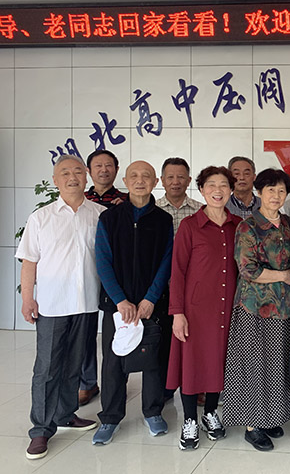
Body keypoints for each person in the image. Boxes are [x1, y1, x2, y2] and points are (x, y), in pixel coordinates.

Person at [17, 155, 104, 460]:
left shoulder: (100, 215)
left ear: (86, 177)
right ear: (55, 180)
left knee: (74, 364)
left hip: (87, 303)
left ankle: (66, 414)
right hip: (52, 305)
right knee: (47, 368)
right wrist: (28, 298)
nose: (72, 177)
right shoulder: (41, 218)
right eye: (65, 173)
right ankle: (41, 429)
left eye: (78, 171)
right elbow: (29, 262)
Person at [92, 161, 174, 445]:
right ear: (125, 181)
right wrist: (120, 300)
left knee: (153, 359)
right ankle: (111, 417)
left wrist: (151, 297)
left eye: (146, 176)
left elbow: (167, 261)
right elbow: (102, 261)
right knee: (113, 361)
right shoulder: (110, 218)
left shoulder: (163, 220)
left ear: (155, 182)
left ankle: (153, 412)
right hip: (117, 305)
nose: (140, 181)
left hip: (152, 304)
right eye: (134, 176)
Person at [166, 166, 241, 450]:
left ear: (231, 190)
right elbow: (177, 271)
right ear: (201, 190)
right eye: (211, 185)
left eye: (223, 185)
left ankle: (210, 413)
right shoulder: (190, 226)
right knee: (193, 363)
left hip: (228, 307)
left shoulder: (238, 225)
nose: (217, 190)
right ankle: (189, 419)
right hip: (196, 310)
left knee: (218, 361)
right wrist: (178, 313)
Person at [223, 168, 290, 452]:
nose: (276, 195)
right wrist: (284, 275)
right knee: (254, 364)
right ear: (259, 193)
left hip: (284, 308)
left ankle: (270, 417)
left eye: (281, 190)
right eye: (270, 190)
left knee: (277, 364)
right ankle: (253, 425)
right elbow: (248, 270)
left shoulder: (289, 224)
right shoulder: (248, 226)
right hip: (254, 308)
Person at [80, 149, 128, 407]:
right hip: (85, 272)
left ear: (116, 170)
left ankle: (118, 380)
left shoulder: (126, 201)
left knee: (119, 330)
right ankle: (88, 382)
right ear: (89, 171)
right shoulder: (80, 200)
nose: (104, 170)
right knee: (86, 331)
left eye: (109, 165)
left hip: (115, 274)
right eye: (98, 166)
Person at [157, 157, 203, 235]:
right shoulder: (153, 209)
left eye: (180, 177)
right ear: (162, 180)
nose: (175, 182)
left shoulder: (201, 211)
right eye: (170, 177)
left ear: (189, 181)